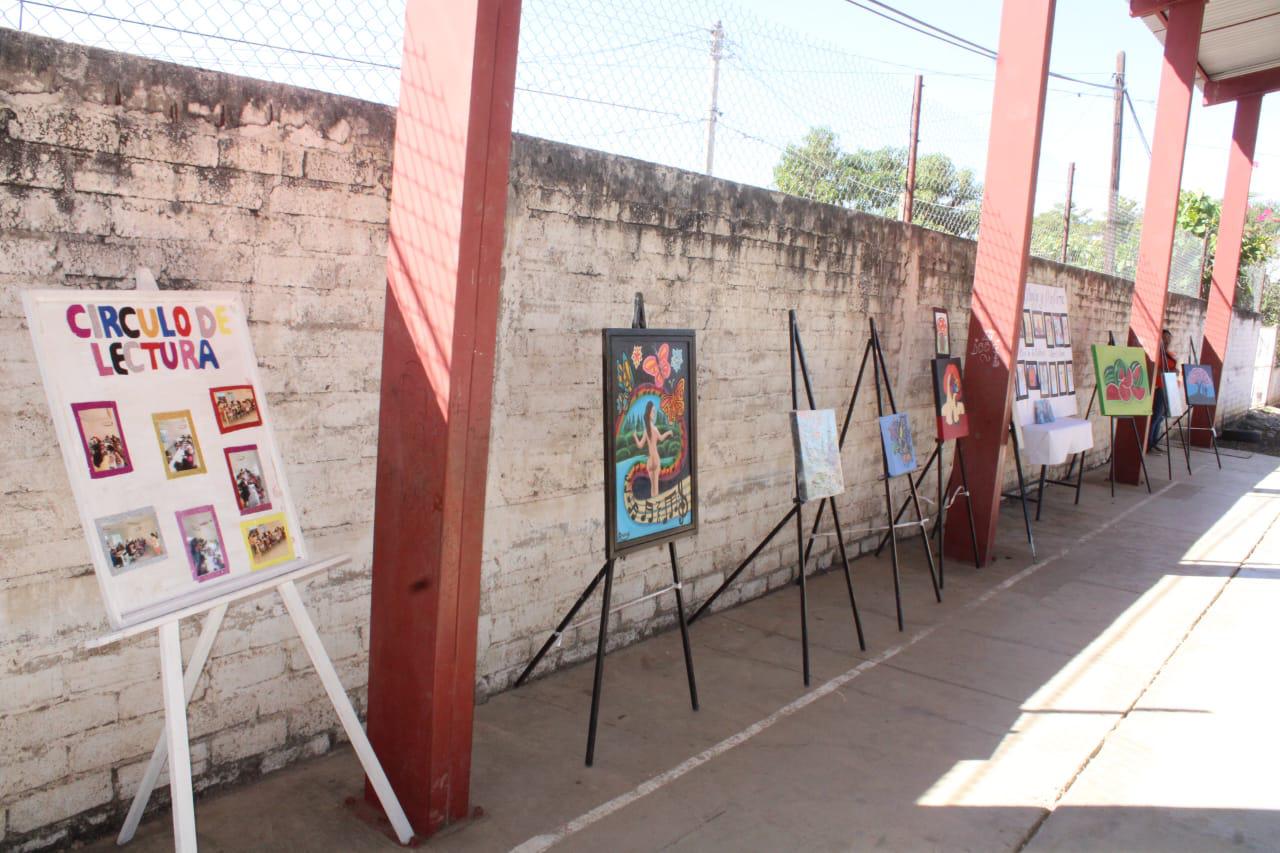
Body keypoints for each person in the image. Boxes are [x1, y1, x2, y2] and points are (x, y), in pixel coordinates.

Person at [633, 401, 672, 500]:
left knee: (652, 489)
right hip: (656, 459)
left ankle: (652, 505)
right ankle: (656, 505)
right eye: (653, 411)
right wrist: (668, 432)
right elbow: (661, 438)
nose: (654, 414)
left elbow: (640, 445)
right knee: (656, 489)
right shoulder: (654, 429)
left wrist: (635, 436)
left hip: (650, 461)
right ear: (649, 413)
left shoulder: (646, 430)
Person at [1148, 328, 1177, 453]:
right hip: (1159, 388)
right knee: (1155, 417)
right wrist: (1169, 372)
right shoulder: (1156, 355)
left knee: (1161, 417)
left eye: (1168, 339)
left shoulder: (1169, 355)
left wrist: (1174, 372)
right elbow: (1157, 370)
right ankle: (1149, 443)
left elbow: (1172, 369)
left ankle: (1154, 441)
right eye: (1164, 339)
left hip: (1168, 388)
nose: (1166, 342)